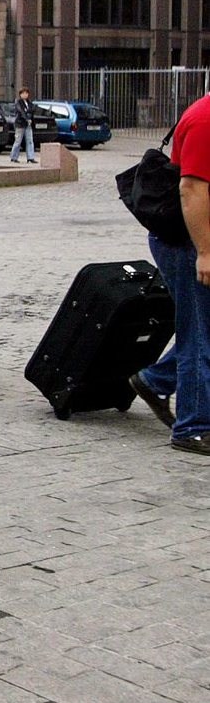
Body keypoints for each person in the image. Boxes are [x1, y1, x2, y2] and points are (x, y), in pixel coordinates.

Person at [128, 94, 210, 455]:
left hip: (196, 241)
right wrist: (205, 252)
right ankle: (192, 427)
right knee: (197, 333)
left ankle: (155, 379)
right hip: (188, 244)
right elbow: (191, 189)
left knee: (204, 330)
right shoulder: (206, 120)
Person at [9, 87, 36, 164]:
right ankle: (13, 157)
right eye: (23, 93)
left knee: (30, 141)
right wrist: (27, 118)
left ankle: (30, 158)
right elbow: (21, 112)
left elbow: (32, 111)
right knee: (18, 141)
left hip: (28, 124)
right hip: (20, 124)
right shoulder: (18, 102)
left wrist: (30, 119)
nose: (25, 95)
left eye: (26, 93)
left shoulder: (29, 103)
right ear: (20, 94)